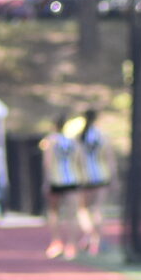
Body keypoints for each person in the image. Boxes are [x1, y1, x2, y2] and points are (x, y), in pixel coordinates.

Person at [41, 116, 84, 258]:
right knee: (72, 214)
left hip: (56, 181)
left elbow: (47, 162)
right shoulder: (73, 142)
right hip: (72, 180)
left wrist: (46, 181)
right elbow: (79, 161)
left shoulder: (50, 141)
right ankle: (72, 245)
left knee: (54, 213)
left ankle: (56, 243)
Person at [75, 107, 112, 255]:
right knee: (98, 209)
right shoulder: (102, 136)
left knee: (83, 210)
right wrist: (113, 177)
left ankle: (89, 235)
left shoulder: (80, 136)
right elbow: (109, 158)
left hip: (85, 177)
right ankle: (96, 240)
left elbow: (76, 159)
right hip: (101, 176)